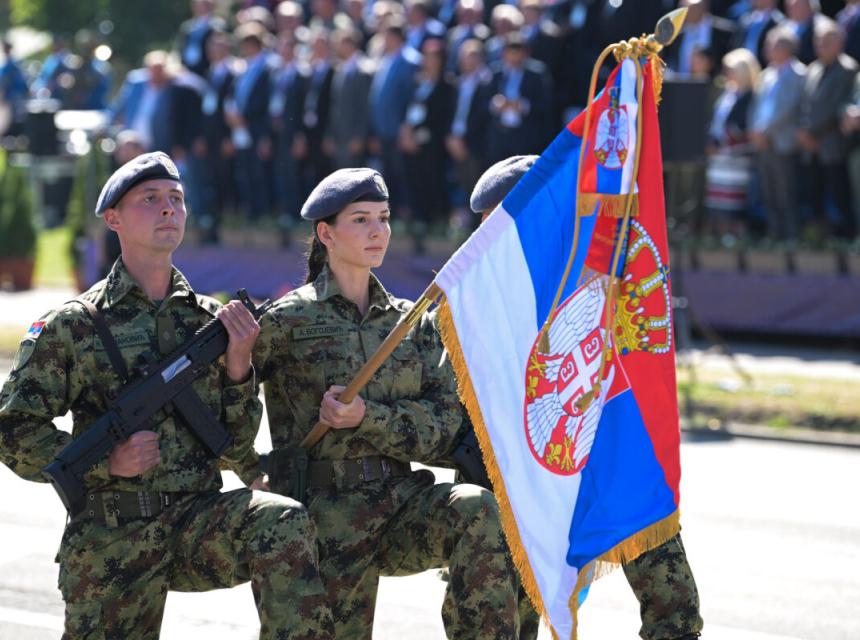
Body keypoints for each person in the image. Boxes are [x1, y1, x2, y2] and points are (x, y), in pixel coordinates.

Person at [0, 152, 335, 639]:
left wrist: (239, 367)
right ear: (113, 218)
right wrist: (106, 462)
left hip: (196, 522)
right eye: (150, 199)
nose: (168, 209)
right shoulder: (73, 325)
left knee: (282, 521)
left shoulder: (209, 322)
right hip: (113, 534)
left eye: (176, 199)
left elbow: (234, 447)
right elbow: (13, 429)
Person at [251, 167, 520, 639]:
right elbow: (227, 399)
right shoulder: (287, 321)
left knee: (475, 509)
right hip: (323, 515)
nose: (378, 231)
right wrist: (250, 470)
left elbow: (443, 421)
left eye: (384, 217)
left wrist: (365, 418)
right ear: (325, 233)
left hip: (399, 504)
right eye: (360, 220)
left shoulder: (410, 323)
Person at [455, 155, 704, 640]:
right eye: (487, 228)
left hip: (607, 465)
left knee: (674, 603)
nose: (493, 240)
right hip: (525, 488)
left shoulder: (598, 279)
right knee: (501, 620)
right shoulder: (473, 310)